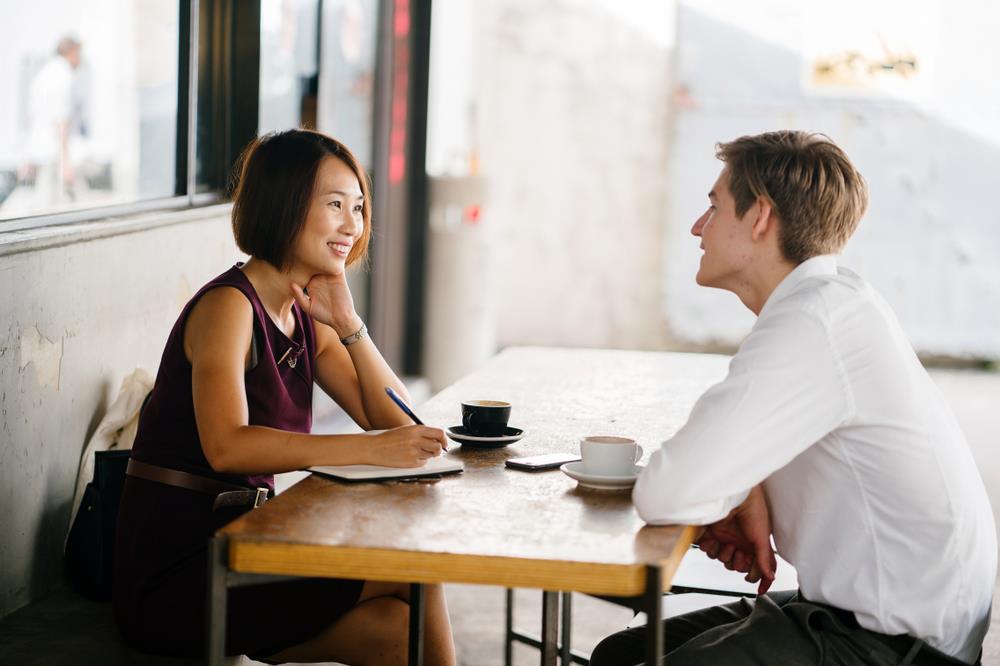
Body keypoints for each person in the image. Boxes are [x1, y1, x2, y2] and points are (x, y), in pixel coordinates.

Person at [591, 131, 996, 665]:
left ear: (760, 216)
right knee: (620, 653)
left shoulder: (814, 321)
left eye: (713, 206)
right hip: (869, 615)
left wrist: (728, 487)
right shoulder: (833, 303)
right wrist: (747, 487)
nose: (697, 226)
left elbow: (668, 492)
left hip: (896, 646)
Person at [113, 129, 457, 665]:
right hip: (182, 570)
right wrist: (369, 450)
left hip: (252, 543)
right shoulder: (230, 306)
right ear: (286, 204)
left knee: (396, 630)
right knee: (414, 569)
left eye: (359, 208)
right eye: (335, 205)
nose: (353, 225)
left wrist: (348, 323)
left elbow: (389, 418)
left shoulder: (304, 315)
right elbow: (227, 447)